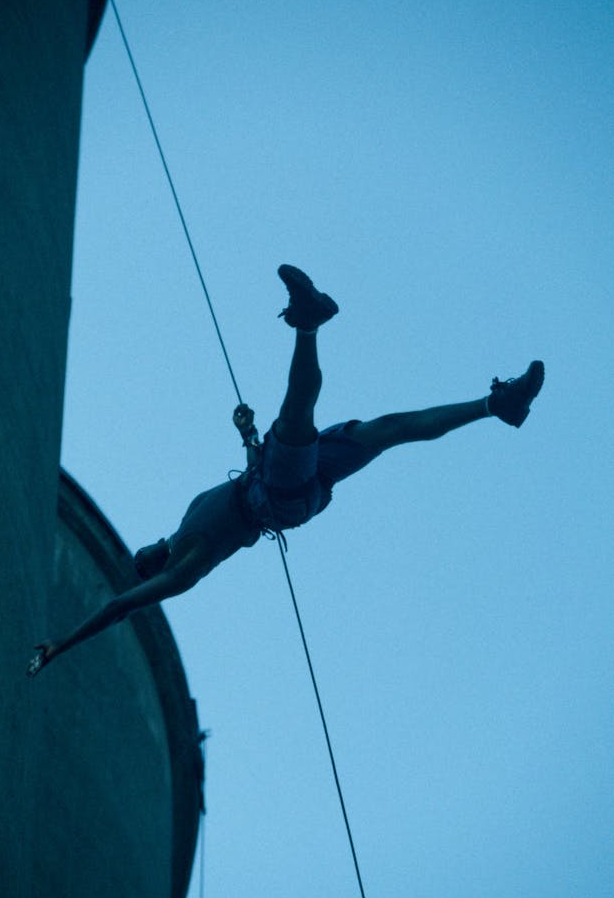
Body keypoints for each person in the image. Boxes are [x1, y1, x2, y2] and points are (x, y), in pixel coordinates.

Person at [27, 264, 544, 677]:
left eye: (137, 555)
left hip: (276, 480)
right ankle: (309, 322)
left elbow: (252, 471)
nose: (140, 555)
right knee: (297, 416)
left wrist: (248, 435)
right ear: (155, 571)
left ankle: (497, 406)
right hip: (281, 497)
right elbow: (120, 607)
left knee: (387, 429)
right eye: (143, 565)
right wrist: (63, 642)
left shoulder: (187, 517)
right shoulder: (187, 564)